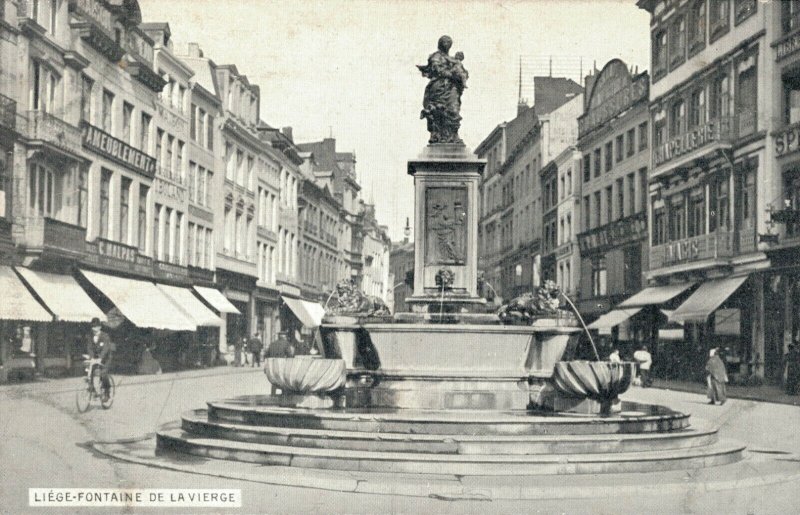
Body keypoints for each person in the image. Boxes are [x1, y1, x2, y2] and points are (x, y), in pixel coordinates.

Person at [86, 317, 114, 401]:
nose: (94, 329)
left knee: (103, 374)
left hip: (106, 358)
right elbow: (89, 348)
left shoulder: (105, 336)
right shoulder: (90, 336)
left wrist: (100, 358)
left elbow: (106, 348)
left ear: (100, 327)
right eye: (93, 327)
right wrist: (91, 357)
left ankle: (107, 392)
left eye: (96, 327)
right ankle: (93, 389)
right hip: (96, 357)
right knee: (90, 371)